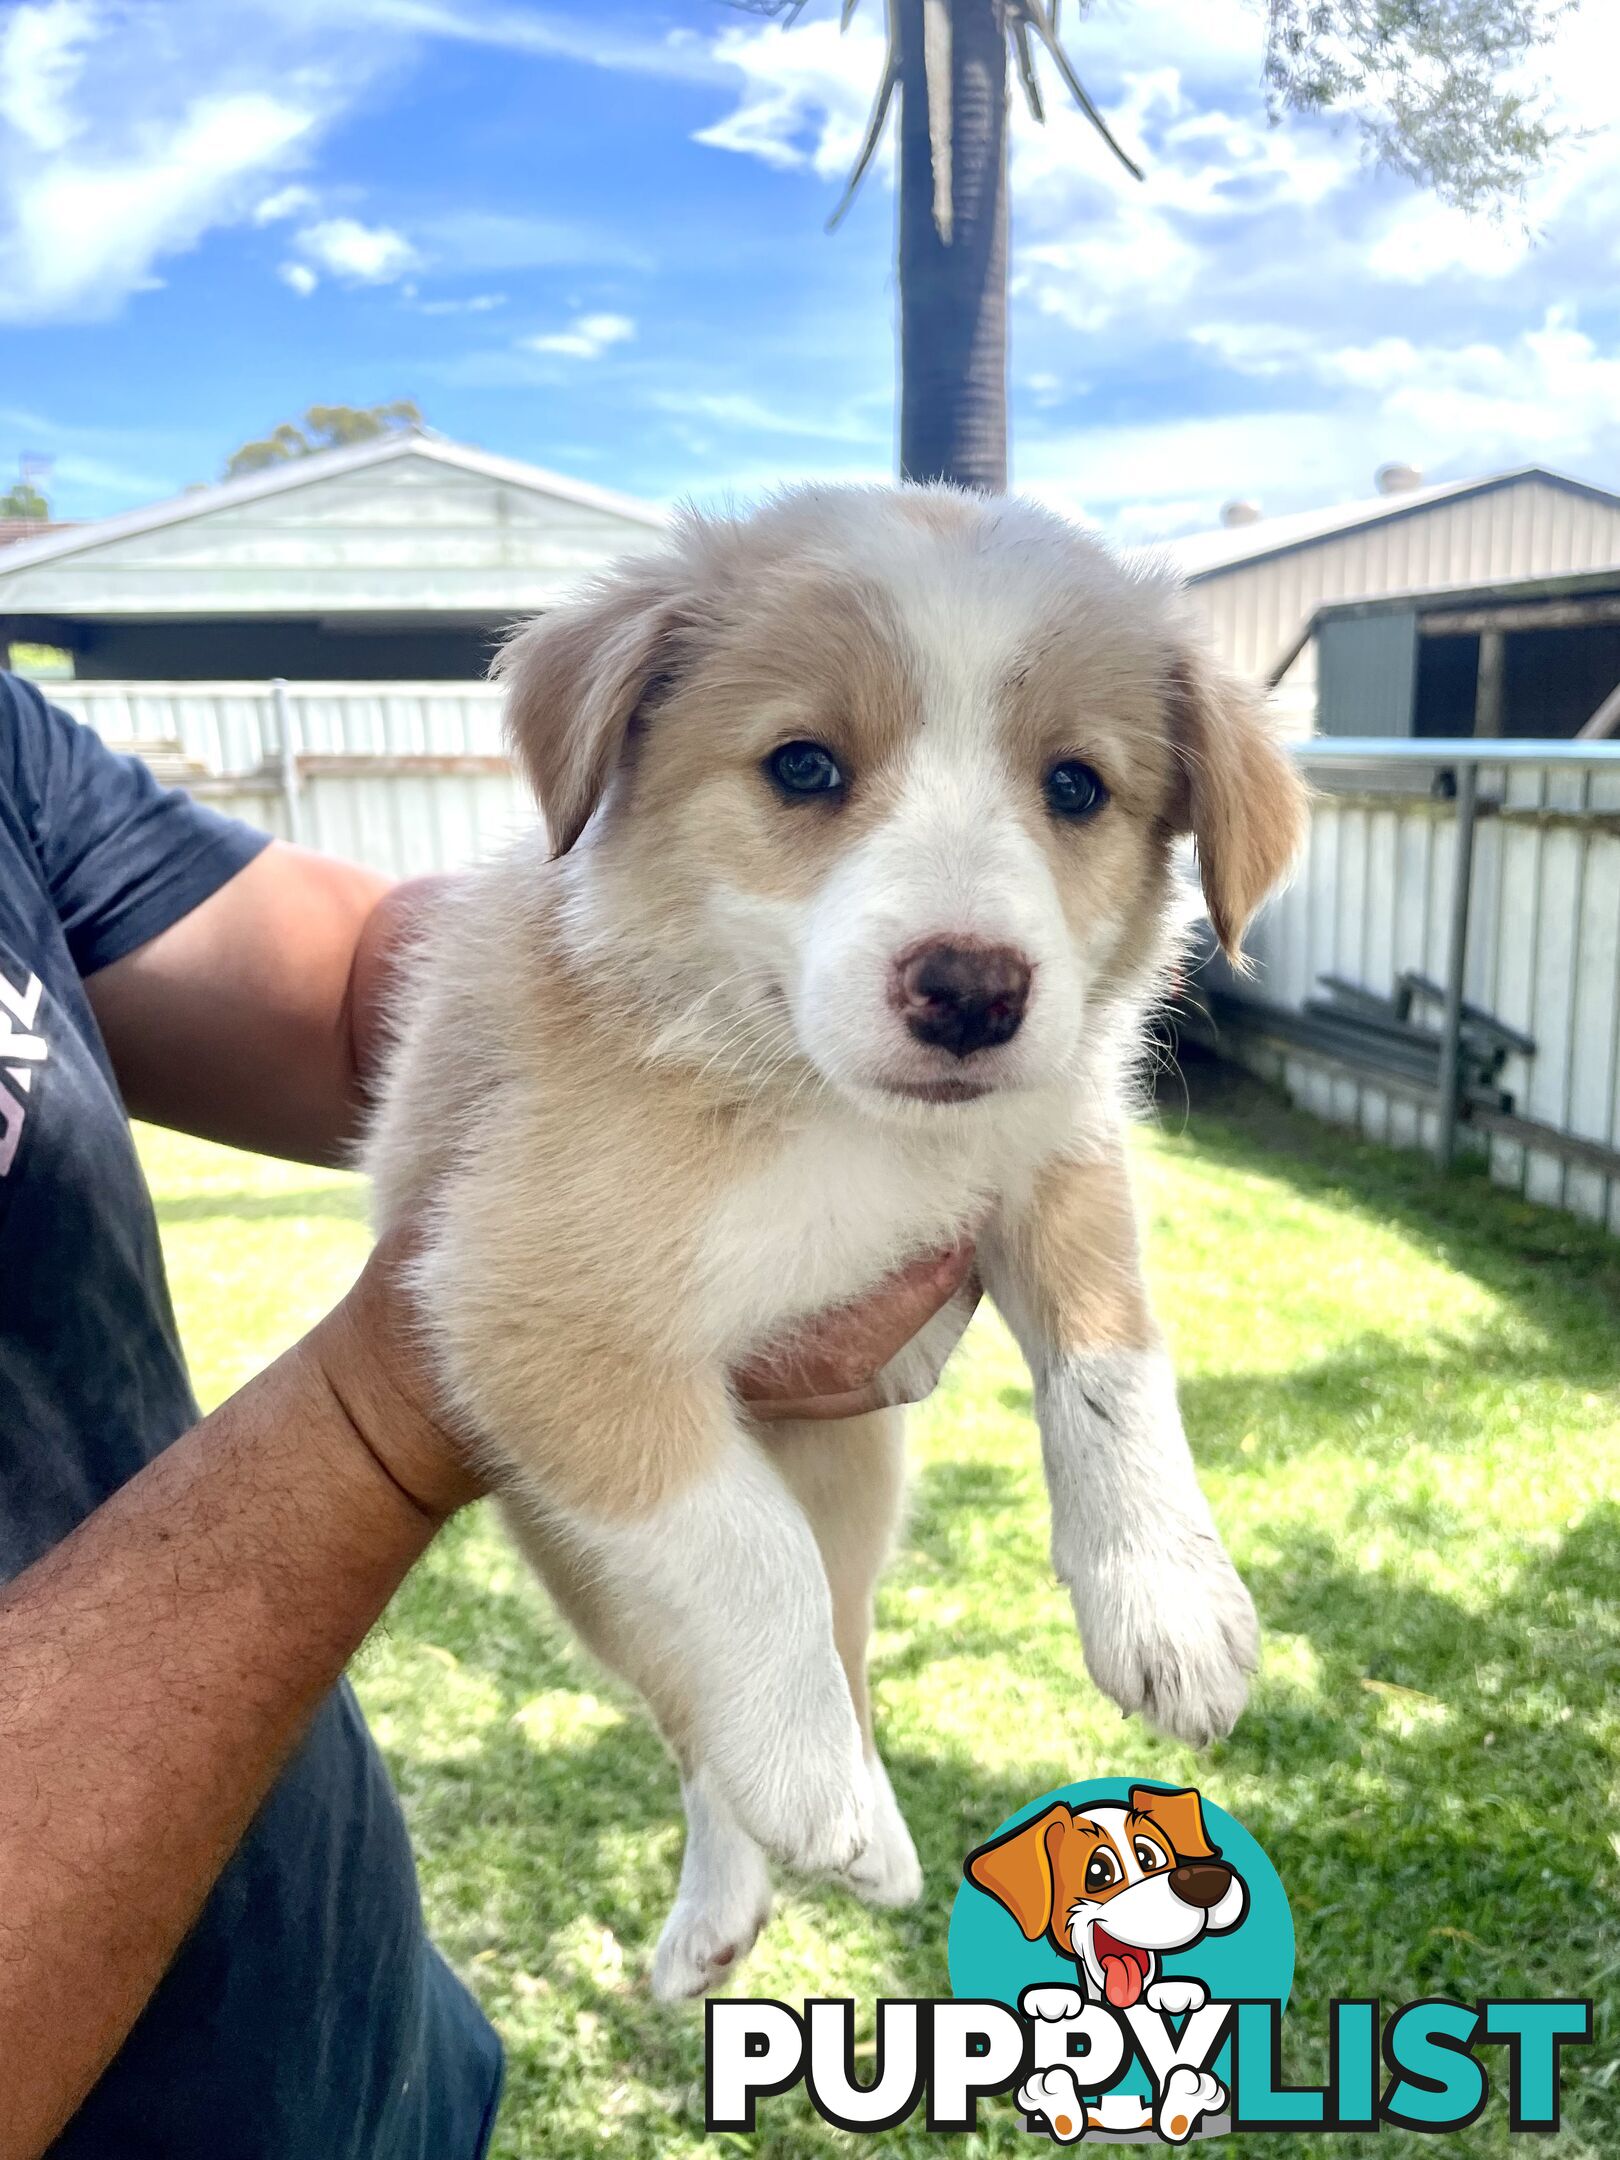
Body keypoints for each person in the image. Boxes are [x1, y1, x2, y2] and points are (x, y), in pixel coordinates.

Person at [0, 671, 977, 2160]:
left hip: (356, 2051)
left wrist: (668, 949)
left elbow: (348, 986)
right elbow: (500, 1350)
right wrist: (397, 1399)